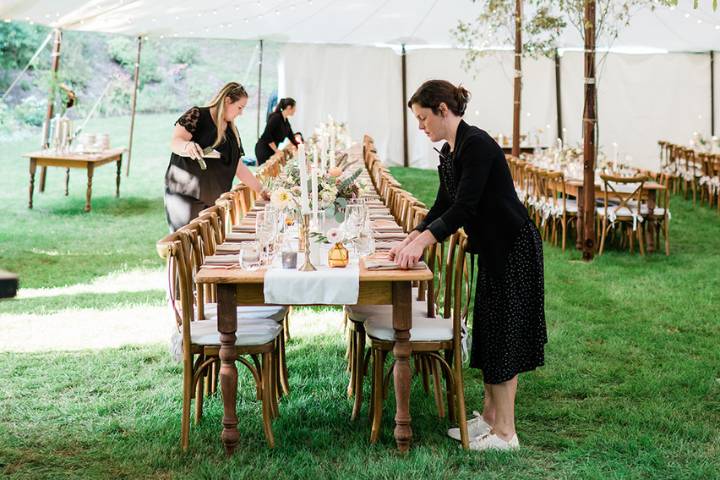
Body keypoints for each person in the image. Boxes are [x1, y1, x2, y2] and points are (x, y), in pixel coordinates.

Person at [389, 79, 547, 451]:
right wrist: (412, 237)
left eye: (423, 117)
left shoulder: (476, 145)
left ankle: (507, 434)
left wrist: (425, 242)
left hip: (514, 247)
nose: (420, 126)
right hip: (494, 250)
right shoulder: (451, 150)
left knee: (505, 337)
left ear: (444, 109)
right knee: (490, 333)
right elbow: (443, 204)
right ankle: (490, 420)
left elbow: (465, 208)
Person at [165, 82, 268, 232]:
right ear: (227, 101)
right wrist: (187, 147)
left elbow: (238, 167)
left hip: (214, 201)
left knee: (209, 250)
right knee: (186, 247)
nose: (241, 113)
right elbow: (175, 142)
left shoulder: (232, 131)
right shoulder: (197, 115)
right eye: (240, 107)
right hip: (186, 195)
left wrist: (262, 190)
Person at [254, 97, 299, 165]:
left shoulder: (285, 121)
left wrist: (299, 147)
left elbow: (291, 136)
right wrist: (276, 150)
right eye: (294, 108)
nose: (295, 110)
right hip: (263, 149)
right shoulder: (276, 117)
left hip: (272, 150)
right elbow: (266, 134)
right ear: (289, 107)